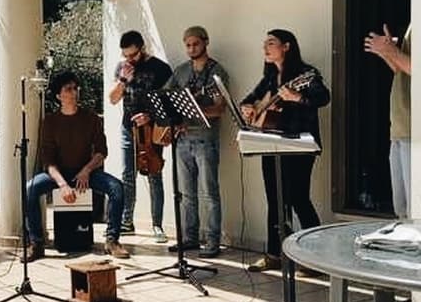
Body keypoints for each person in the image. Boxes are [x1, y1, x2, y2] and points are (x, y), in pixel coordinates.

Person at [240, 30, 330, 272]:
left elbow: (323, 97)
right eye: (264, 44)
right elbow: (249, 99)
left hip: (299, 145)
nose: (265, 48)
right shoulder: (270, 77)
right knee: (275, 201)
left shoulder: (306, 74)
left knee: (299, 199)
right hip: (271, 144)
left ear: (287, 46)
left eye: (271, 43)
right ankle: (274, 255)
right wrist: (249, 107)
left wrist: (297, 96)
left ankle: (316, 257)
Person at [26, 71, 129, 261]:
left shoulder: (91, 118)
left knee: (117, 188)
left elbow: (101, 151)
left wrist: (87, 170)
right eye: (68, 89)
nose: (74, 92)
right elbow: (47, 161)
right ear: (59, 96)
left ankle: (112, 240)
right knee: (30, 189)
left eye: (75, 88)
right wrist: (63, 184)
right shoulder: (50, 122)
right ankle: (36, 242)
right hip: (59, 174)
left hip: (86, 171)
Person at [364, 0, 412, 302]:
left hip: (416, 134)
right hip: (401, 130)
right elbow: (405, 67)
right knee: (403, 216)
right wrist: (388, 54)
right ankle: (413, 298)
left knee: (415, 220)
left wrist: (392, 52)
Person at [163, 26, 229, 258]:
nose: (191, 49)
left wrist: (196, 109)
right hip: (182, 139)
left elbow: (220, 108)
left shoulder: (217, 71)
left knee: (209, 193)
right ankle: (189, 237)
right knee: (186, 194)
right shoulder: (180, 71)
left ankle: (213, 241)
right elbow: (166, 97)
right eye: (188, 45)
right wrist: (176, 116)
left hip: (205, 140)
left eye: (195, 44)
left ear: (206, 42)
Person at [109, 30, 173, 242]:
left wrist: (150, 116)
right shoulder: (123, 68)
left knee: (154, 173)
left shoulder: (160, 69)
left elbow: (169, 102)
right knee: (128, 175)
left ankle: (157, 225)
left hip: (152, 128)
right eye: (125, 55)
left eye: (133, 55)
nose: (129, 59)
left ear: (142, 48)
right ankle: (127, 222)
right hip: (129, 127)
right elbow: (113, 99)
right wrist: (123, 80)